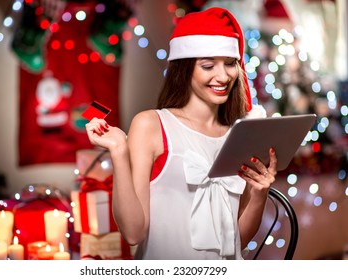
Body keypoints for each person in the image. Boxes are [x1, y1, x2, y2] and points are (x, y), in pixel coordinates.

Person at [86, 7, 277, 260]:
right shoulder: (151, 125)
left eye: (230, 63)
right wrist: (119, 150)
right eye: (208, 66)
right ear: (185, 69)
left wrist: (259, 195)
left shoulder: (240, 134)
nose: (223, 76)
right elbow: (133, 233)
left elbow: (237, 240)